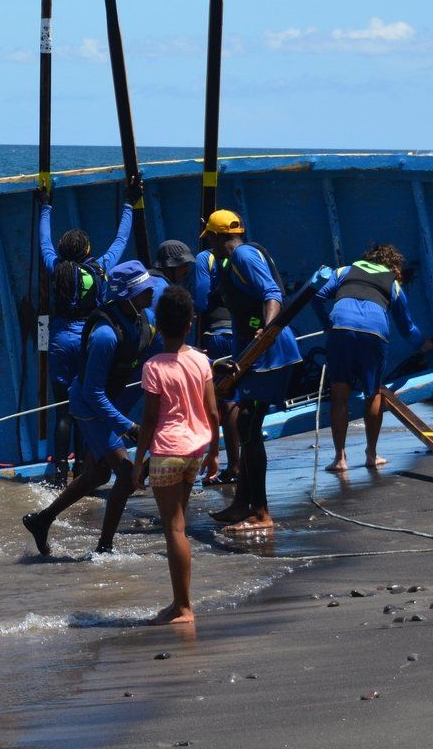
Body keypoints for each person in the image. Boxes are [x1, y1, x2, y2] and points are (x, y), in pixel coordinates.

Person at [22, 261, 158, 556]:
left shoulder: (139, 316)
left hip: (111, 402)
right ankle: (104, 547)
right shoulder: (104, 337)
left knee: (97, 475)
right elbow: (93, 393)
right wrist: (128, 426)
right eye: (145, 289)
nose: (151, 292)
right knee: (125, 474)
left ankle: (41, 520)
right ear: (127, 295)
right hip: (91, 408)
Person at [206, 211, 301, 538]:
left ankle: (260, 511)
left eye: (211, 240)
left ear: (218, 238)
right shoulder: (234, 260)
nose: (210, 246)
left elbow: (271, 293)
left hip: (269, 354)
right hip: (252, 356)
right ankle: (243, 503)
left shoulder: (244, 255)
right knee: (247, 424)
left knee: (248, 426)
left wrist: (267, 331)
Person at [37, 178, 139, 480]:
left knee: (62, 411)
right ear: (87, 250)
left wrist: (45, 207)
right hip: (87, 340)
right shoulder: (102, 267)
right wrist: (129, 204)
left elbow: (43, 241)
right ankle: (83, 466)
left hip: (56, 339)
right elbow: (121, 239)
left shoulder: (56, 267)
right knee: (83, 405)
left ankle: (58, 471)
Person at [132, 285, 217, 625]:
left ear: (158, 325)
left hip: (166, 452)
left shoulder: (153, 366)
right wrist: (215, 453)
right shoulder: (201, 360)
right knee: (180, 525)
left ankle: (182, 607)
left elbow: (150, 419)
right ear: (190, 323)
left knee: (174, 529)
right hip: (196, 451)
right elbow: (213, 411)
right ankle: (179, 603)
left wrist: (138, 462)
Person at [312, 245, 433, 472]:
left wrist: (328, 326)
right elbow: (406, 327)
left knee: (340, 395)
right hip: (374, 333)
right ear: (392, 266)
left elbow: (317, 296)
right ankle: (372, 454)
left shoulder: (343, 271)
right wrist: (422, 344)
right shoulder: (393, 283)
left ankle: (340, 459)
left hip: (341, 329)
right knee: (373, 393)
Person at [192, 245, 241, 485]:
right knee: (237, 396)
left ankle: (231, 465)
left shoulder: (205, 257)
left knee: (223, 399)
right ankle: (239, 462)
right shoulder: (245, 254)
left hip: (217, 334)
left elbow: (201, 300)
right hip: (241, 332)